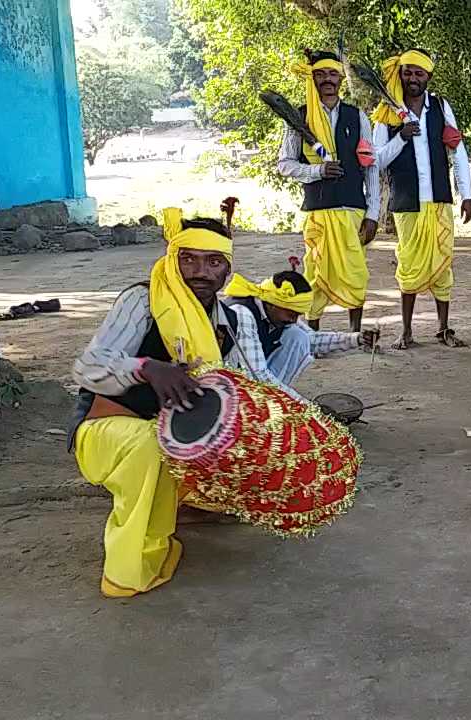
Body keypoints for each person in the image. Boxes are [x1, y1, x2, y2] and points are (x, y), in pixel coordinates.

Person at [68, 209, 303, 598]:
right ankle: (131, 566)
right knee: (150, 444)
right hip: (107, 428)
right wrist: (146, 368)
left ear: (227, 270)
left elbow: (258, 381)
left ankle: (191, 503)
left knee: (258, 434)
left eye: (213, 262)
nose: (200, 271)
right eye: (188, 259)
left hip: (176, 439)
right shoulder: (142, 301)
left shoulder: (234, 320)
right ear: (171, 259)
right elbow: (87, 368)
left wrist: (300, 421)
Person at [371, 48, 471, 349]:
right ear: (400, 75)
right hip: (407, 202)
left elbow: (458, 152)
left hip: (440, 200)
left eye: (419, 73)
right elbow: (377, 160)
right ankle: (406, 331)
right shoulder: (386, 112)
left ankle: (443, 329)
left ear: (428, 76)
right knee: (410, 264)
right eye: (407, 72)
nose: (412, 78)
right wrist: (401, 137)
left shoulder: (441, 108)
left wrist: (466, 194)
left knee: (444, 263)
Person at [276, 49, 379, 333]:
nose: (327, 80)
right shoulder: (299, 117)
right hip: (318, 210)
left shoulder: (357, 117)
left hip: (352, 209)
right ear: (312, 78)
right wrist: (317, 171)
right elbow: (284, 164)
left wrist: (373, 213)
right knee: (315, 273)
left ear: (341, 79)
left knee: (356, 271)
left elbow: (370, 167)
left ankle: (356, 334)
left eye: (333, 74)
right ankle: (312, 335)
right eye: (320, 74)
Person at [223, 270, 378, 387]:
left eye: (298, 315)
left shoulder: (278, 312)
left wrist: (356, 339)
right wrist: (301, 406)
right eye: (292, 314)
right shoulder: (242, 313)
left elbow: (311, 340)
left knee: (297, 336)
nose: (294, 320)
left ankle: (271, 402)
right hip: (223, 381)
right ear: (272, 303)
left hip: (251, 377)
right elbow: (257, 374)